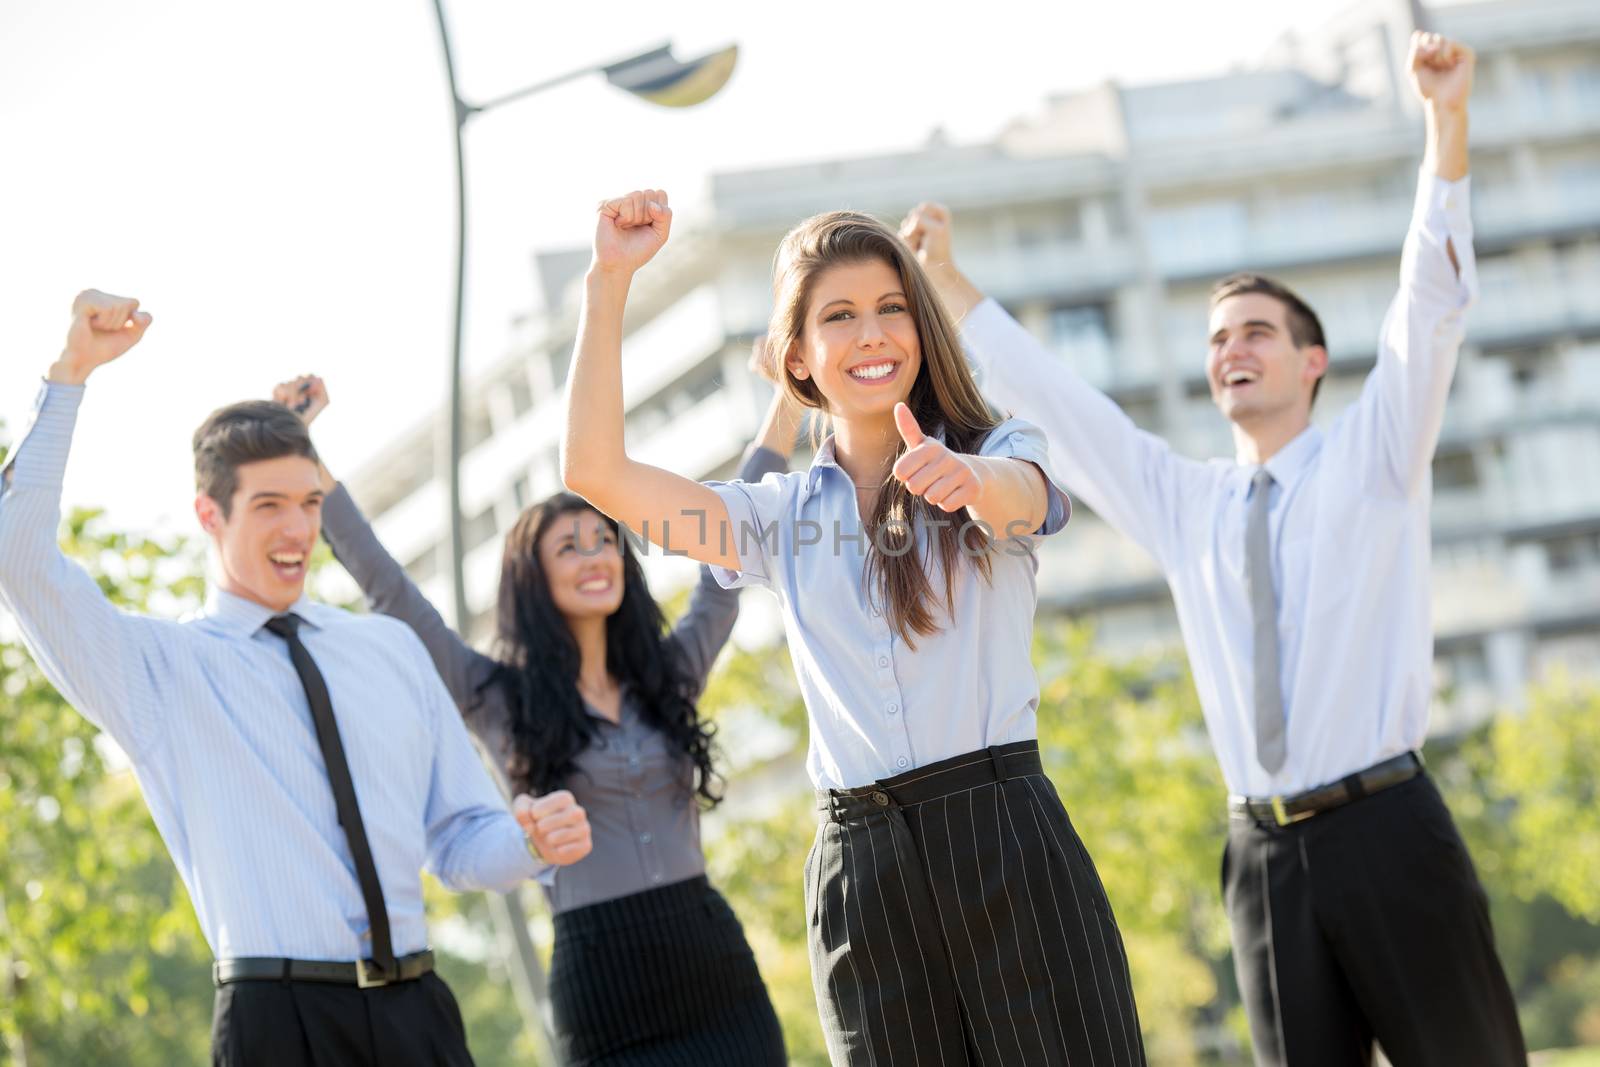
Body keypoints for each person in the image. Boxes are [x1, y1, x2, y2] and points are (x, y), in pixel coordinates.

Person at [902, 32, 1525, 1067]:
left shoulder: (1373, 459)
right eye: (1216, 338)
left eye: (1256, 331)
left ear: (1311, 360)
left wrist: (1443, 124)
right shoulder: (1184, 501)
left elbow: (1429, 309)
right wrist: (949, 287)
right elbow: (1069, 410)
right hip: (1262, 855)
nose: (1230, 348)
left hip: (1387, 830)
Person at [563, 191, 1147, 1066]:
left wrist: (967, 480)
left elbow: (1025, 496)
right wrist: (609, 282)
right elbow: (597, 472)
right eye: (839, 316)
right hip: (860, 874)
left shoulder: (998, 447)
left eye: (891, 308)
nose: (871, 333)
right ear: (797, 356)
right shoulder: (776, 517)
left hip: (1006, 839)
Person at [0, 291, 592, 1067]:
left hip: (422, 1014)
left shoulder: (388, 651)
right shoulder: (158, 672)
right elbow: (18, 559)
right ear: (209, 516)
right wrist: (69, 373)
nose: (296, 530)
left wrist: (527, 838)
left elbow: (459, 839)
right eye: (269, 505)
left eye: (309, 502)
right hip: (277, 1028)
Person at [282, 368, 797, 1065]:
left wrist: (789, 402)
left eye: (603, 539)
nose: (595, 556)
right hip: (603, 981)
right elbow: (392, 592)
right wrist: (307, 452)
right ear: (535, 577)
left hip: (714, 965)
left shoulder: (668, 677)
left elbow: (724, 559)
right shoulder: (494, 697)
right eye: (569, 546)